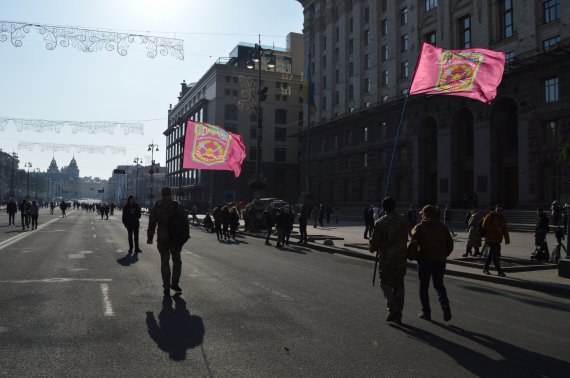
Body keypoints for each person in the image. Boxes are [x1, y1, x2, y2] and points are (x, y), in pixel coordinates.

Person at [368, 196, 408, 324]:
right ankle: (398, 312)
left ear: (384, 208)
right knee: (399, 284)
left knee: (384, 282)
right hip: (401, 257)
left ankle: (393, 307)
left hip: (387, 259)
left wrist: (371, 244)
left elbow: (374, 246)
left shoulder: (380, 223)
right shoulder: (403, 219)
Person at [411, 205, 454, 322]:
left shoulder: (420, 227)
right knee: (439, 285)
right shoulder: (443, 227)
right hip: (440, 261)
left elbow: (412, 241)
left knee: (423, 286)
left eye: (422, 213)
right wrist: (444, 255)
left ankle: (426, 312)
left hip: (424, 260)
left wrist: (414, 255)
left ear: (425, 214)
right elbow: (450, 244)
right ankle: (445, 305)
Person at [147, 187, 185, 296]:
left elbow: (152, 222)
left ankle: (166, 287)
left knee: (165, 262)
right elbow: (184, 222)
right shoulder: (177, 205)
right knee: (177, 261)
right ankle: (175, 283)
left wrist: (150, 237)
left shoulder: (158, 205)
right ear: (170, 194)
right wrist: (184, 238)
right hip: (175, 239)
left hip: (163, 238)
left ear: (162, 194)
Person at [482, 204, 510, 277]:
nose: (499, 211)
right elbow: (484, 226)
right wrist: (495, 228)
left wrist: (507, 239)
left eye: (501, 210)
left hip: (497, 240)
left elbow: (505, 229)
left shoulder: (502, 218)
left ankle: (485, 268)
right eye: (498, 210)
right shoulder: (490, 216)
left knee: (491, 255)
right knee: (495, 256)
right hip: (490, 239)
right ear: (495, 210)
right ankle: (499, 271)